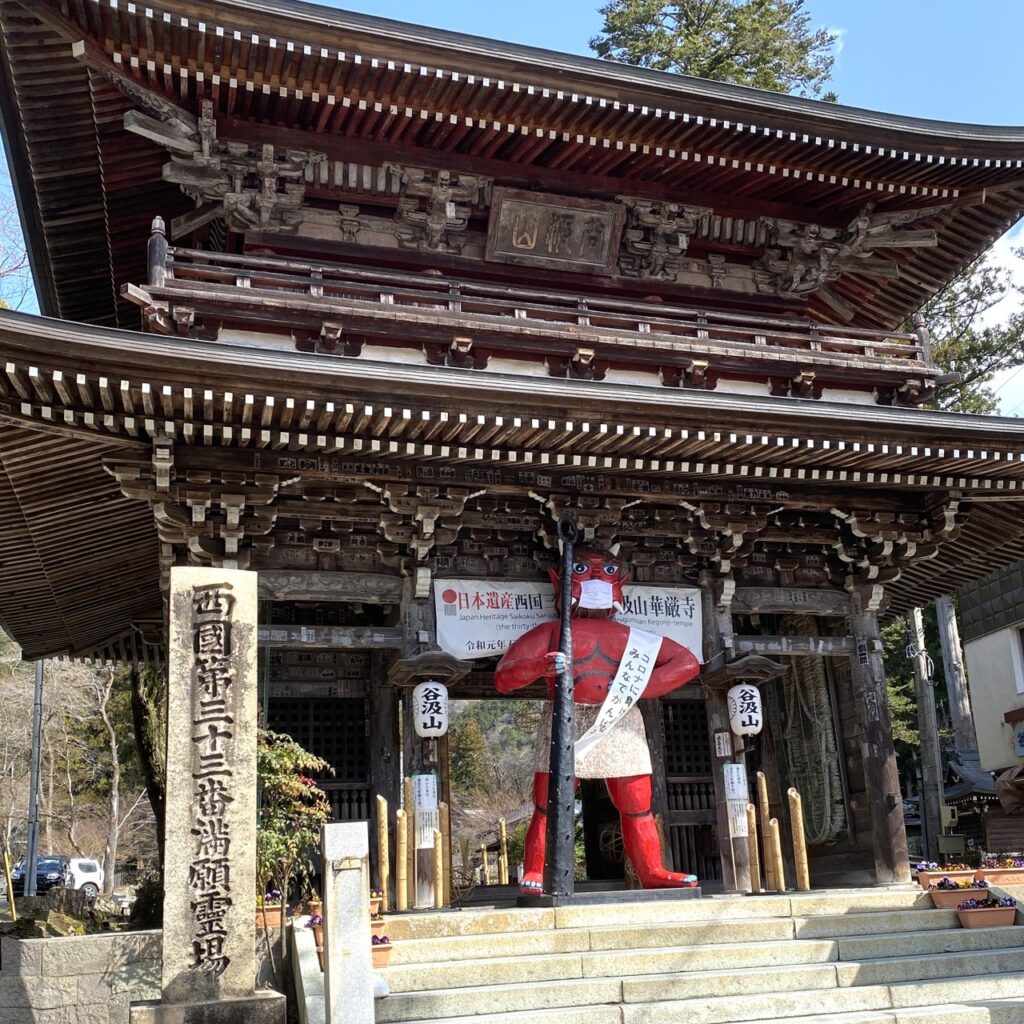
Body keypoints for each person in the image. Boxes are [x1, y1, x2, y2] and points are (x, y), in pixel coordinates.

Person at [494, 547, 701, 895]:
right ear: (560, 579)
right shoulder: (552, 633)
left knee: (637, 803)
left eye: (606, 570)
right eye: (582, 569)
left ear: (620, 580)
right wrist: (537, 667)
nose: (595, 579)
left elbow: (688, 663)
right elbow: (503, 678)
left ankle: (652, 870)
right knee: (549, 802)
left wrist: (641, 688)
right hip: (565, 714)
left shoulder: (630, 638)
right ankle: (535, 870)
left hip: (619, 717)